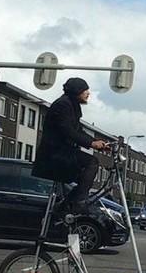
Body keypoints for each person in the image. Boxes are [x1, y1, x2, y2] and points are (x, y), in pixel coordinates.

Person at [32, 77, 108, 214]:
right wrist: (91, 143)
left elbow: (78, 129)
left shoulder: (71, 105)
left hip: (62, 153)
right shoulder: (63, 105)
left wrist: (99, 144)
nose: (88, 93)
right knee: (92, 162)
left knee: (85, 181)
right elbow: (68, 131)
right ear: (76, 91)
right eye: (85, 90)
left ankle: (63, 208)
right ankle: (79, 204)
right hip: (54, 155)